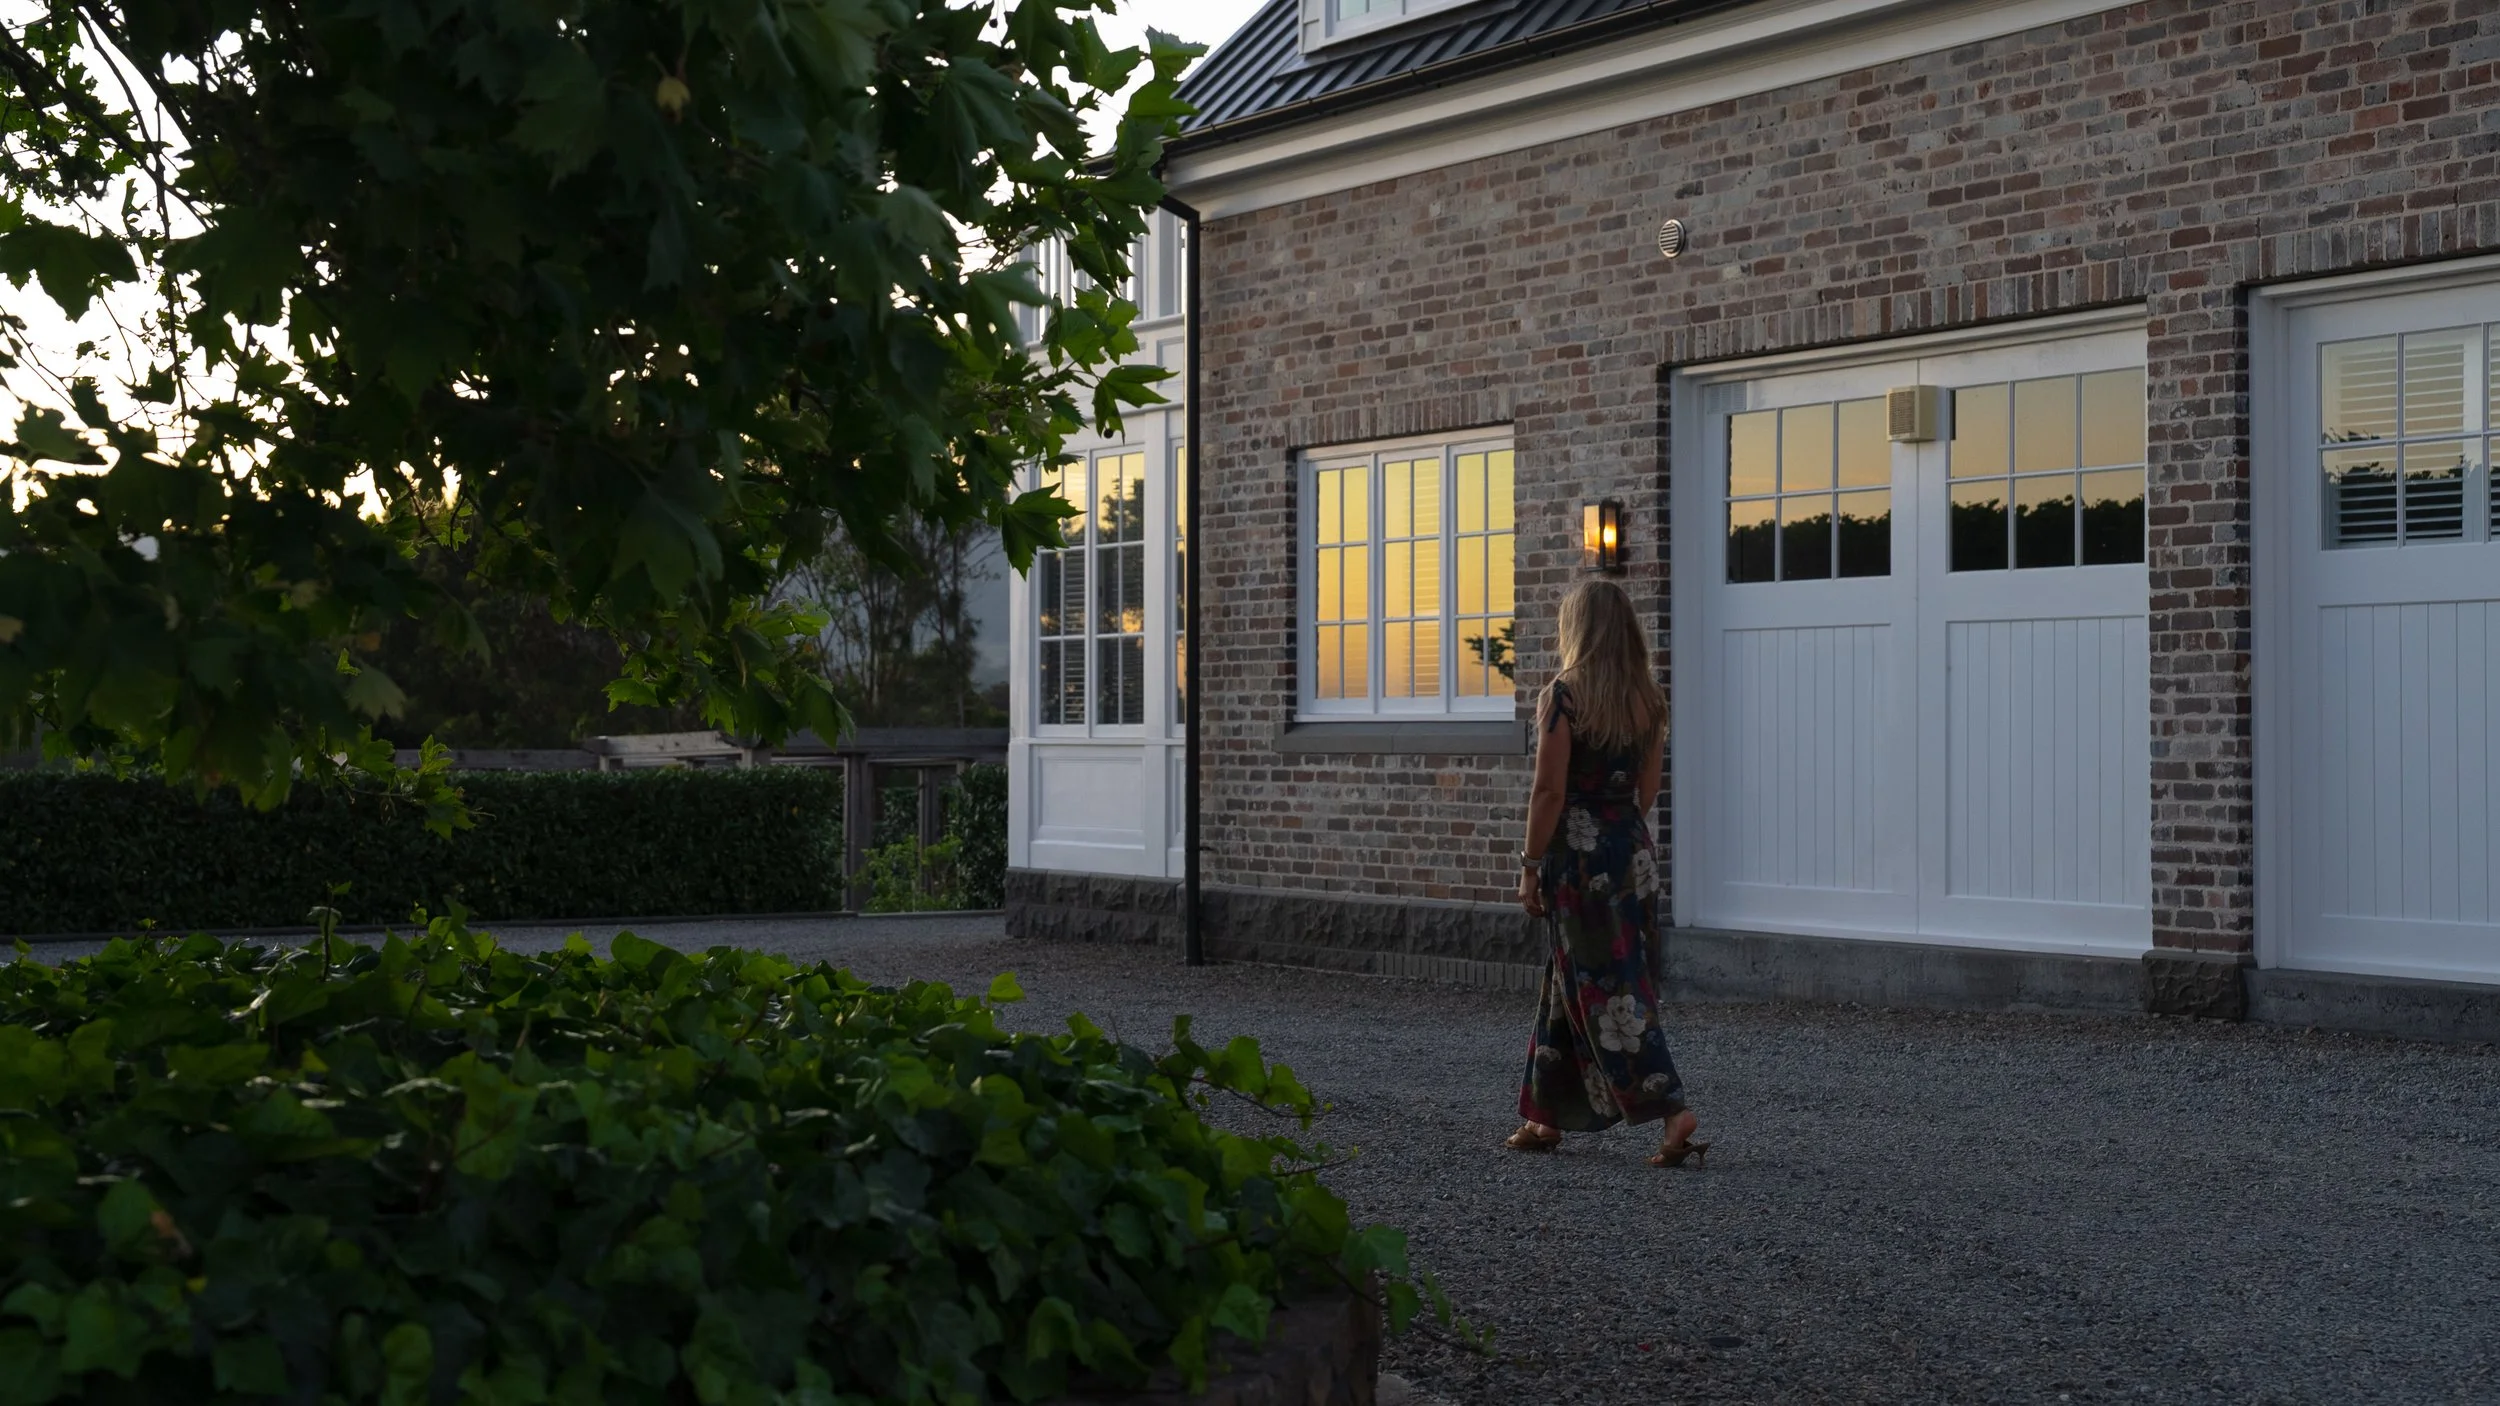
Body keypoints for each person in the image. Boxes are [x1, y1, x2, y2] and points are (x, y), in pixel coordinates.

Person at [1503, 578, 1707, 1168]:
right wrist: (1618, 841)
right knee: (1576, 977)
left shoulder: (1563, 695)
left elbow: (1548, 791)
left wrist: (1531, 866)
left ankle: (1674, 1110)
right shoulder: (1648, 698)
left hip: (1578, 854)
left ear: (1578, 629)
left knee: (1607, 989)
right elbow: (1646, 791)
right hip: (1630, 852)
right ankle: (1543, 1118)